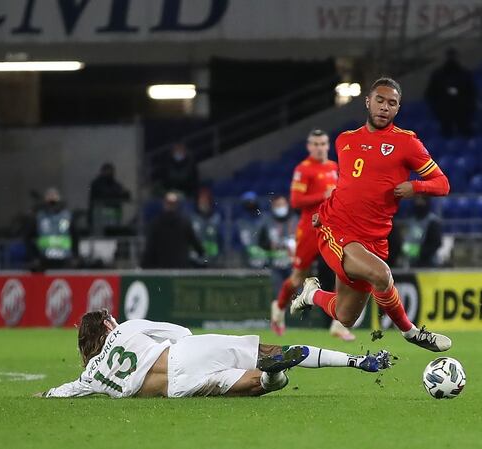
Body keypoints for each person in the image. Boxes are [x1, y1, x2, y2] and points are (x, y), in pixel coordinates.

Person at [290, 77, 452, 352]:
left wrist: (415, 186)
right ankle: (411, 333)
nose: (384, 107)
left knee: (346, 315)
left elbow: (442, 183)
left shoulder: (407, 144)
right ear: (368, 102)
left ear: (398, 109)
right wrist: (321, 213)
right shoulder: (345, 141)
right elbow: (346, 187)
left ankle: (312, 294)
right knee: (382, 275)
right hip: (337, 229)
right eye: (380, 100)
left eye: (392, 103)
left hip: (373, 238)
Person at [36, 309, 391, 399]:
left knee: (255, 387)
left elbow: (61, 391)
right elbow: (183, 334)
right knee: (266, 351)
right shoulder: (127, 328)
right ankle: (354, 360)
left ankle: (270, 376)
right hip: (182, 355)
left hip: (179, 388)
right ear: (108, 325)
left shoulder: (90, 377)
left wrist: (43, 394)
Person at [270, 129, 354, 340]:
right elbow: (296, 201)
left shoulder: (334, 167)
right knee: (298, 276)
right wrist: (322, 196)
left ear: (328, 146)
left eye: (323, 144)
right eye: (315, 144)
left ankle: (338, 324)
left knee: (341, 271)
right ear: (309, 147)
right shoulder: (303, 169)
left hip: (331, 227)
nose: (319, 148)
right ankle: (278, 308)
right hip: (309, 229)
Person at [141, 191, 204, 269]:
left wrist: (143, 265)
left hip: (162, 268)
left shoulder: (155, 223)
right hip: (180, 267)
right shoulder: (184, 223)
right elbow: (196, 244)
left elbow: (149, 248)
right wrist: (203, 255)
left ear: (165, 205)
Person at [424, 48, 476, 138]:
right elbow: (430, 93)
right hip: (444, 111)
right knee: (446, 133)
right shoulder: (438, 75)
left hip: (462, 110)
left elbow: (472, 92)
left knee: (465, 133)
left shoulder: (465, 74)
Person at [25, 187, 79, 271]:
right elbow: (27, 238)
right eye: (49, 195)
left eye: (54, 195)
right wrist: (33, 257)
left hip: (65, 259)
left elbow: (75, 237)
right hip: (43, 260)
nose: (52, 197)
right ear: (45, 199)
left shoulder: (67, 216)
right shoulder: (38, 217)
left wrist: (75, 256)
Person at [88, 162, 131, 235]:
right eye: (108, 171)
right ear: (103, 171)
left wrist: (123, 193)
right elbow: (104, 194)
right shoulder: (96, 183)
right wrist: (118, 193)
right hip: (100, 216)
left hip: (114, 216)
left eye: (111, 171)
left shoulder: (115, 183)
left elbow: (125, 194)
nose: (110, 173)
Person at [402, 196, 443, 268]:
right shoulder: (411, 221)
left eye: (421, 200)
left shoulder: (432, 222)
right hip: (411, 264)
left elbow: (435, 244)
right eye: (417, 200)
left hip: (429, 265)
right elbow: (405, 243)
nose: (418, 203)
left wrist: (415, 251)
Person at [189, 187, 223, 267]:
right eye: (201, 200)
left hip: (212, 259)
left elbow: (221, 239)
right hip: (194, 259)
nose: (203, 203)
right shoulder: (191, 218)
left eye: (206, 200)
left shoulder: (217, 218)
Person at [237, 191, 269, 268]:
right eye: (247, 202)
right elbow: (236, 242)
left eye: (252, 201)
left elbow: (269, 238)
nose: (250, 204)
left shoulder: (265, 219)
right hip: (246, 261)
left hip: (265, 260)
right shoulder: (240, 223)